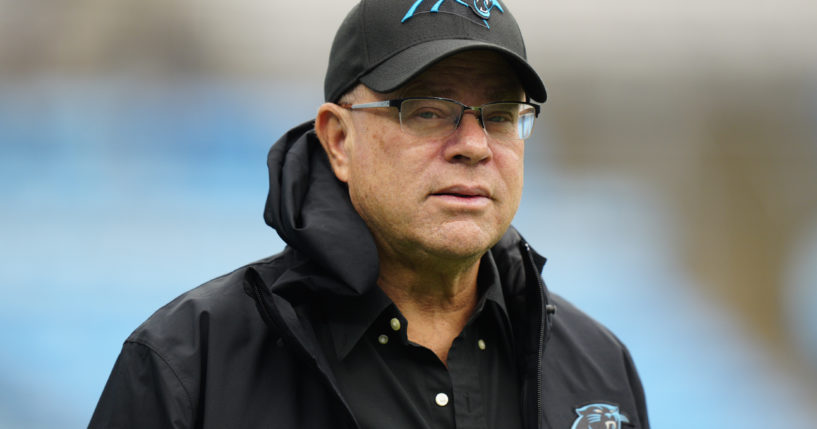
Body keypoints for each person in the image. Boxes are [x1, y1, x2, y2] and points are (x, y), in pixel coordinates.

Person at [90, 1, 649, 428]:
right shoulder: (189, 365)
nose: (475, 145)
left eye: (500, 115)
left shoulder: (598, 366)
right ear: (338, 139)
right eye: (428, 111)